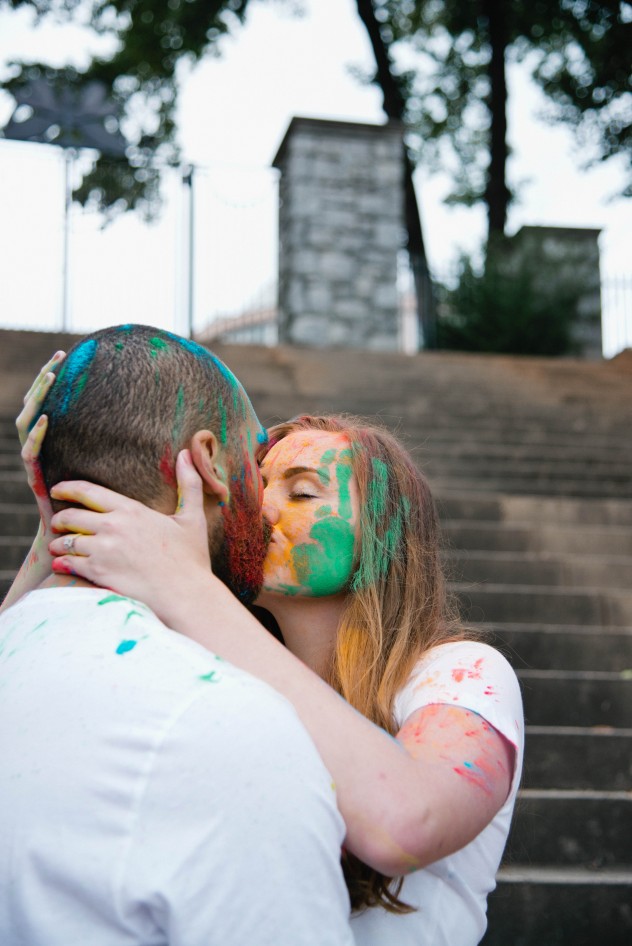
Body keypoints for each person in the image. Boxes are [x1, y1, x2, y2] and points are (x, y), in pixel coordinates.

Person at [10, 347, 525, 946]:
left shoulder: (461, 674)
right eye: (258, 482)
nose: (262, 507)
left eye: (303, 493)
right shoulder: (217, 668)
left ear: (384, 537)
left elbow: (407, 823)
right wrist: (59, 516)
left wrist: (188, 586)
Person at [0, 326, 356, 946]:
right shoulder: (230, 725)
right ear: (210, 461)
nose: (267, 507)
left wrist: (56, 520)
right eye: (255, 466)